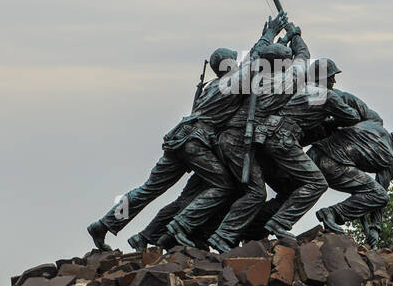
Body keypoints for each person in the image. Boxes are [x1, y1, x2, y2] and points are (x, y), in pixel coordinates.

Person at [85, 13, 290, 251]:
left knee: (149, 189)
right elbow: (255, 60)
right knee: (223, 186)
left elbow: (254, 60)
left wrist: (270, 39)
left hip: (179, 138)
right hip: (196, 141)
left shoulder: (212, 86)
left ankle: (105, 223)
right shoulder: (234, 81)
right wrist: (269, 34)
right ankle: (180, 226)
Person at [311, 122, 393, 247]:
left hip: (314, 153)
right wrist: (375, 229)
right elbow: (379, 195)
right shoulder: (390, 160)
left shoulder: (374, 126)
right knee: (380, 196)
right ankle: (332, 213)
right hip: (332, 165)